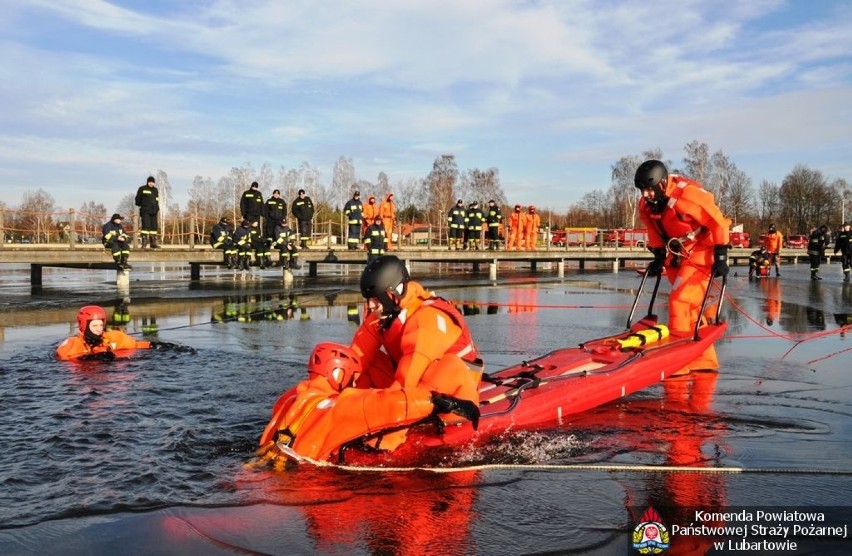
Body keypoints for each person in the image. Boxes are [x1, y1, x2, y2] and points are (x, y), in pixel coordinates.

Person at [260, 342, 479, 462]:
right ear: (339, 373)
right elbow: (390, 405)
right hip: (305, 476)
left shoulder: (289, 398)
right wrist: (444, 402)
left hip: (267, 459)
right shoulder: (343, 405)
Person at [635, 159, 730, 372]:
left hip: (701, 251)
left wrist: (721, 257)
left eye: (649, 190)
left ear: (661, 184)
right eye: (642, 190)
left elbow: (718, 223)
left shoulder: (687, 197)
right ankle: (703, 361)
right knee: (690, 307)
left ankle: (676, 362)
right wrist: (659, 256)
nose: (645, 195)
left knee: (679, 301)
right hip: (677, 253)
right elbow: (653, 229)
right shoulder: (646, 206)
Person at [351, 255, 484, 401]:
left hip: (455, 392)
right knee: (358, 362)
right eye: (370, 299)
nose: (370, 306)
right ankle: (348, 405)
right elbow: (355, 355)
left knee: (448, 366)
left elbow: (407, 379)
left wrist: (387, 404)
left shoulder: (426, 319)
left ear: (395, 293)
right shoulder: (383, 313)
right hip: (416, 380)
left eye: (377, 299)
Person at [57, 305, 151, 361]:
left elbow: (135, 344)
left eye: (101, 325)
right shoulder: (74, 343)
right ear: (84, 325)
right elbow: (65, 357)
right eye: (94, 326)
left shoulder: (112, 337)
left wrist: (151, 345)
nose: (99, 329)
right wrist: (93, 357)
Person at [135, 176, 160, 249]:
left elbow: (157, 200)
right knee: (146, 226)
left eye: (153, 182)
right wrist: (143, 205)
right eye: (150, 182)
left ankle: (153, 243)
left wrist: (157, 208)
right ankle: (144, 244)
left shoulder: (155, 190)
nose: (151, 183)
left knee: (154, 227)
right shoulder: (142, 189)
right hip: (145, 211)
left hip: (154, 211)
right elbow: (137, 199)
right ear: (147, 182)